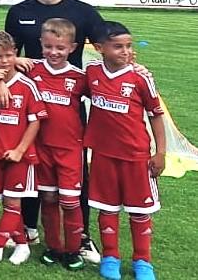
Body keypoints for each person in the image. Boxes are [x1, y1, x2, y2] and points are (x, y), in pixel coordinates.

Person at [4, 0, 104, 259]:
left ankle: (82, 237)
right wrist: (14, 61)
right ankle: (28, 228)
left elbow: (107, 45)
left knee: (76, 172)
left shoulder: (83, 12)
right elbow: (7, 52)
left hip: (69, 102)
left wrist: (130, 64)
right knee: (30, 164)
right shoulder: (19, 12)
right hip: (30, 103)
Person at [84, 21, 164, 280]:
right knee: (107, 208)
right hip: (103, 154)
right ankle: (110, 257)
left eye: (129, 46)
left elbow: (156, 114)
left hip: (136, 155)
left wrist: (160, 152)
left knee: (139, 211)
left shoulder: (141, 78)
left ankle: (143, 261)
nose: (126, 51)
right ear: (100, 48)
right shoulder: (92, 72)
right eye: (118, 46)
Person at [0, 30, 48, 265]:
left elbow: (35, 121)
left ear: (15, 52)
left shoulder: (27, 85)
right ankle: (22, 246)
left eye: (8, 55)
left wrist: (20, 150)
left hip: (20, 155)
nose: (4, 61)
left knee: (13, 202)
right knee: (6, 203)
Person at [27, 18, 89, 269]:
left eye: (60, 48)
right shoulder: (31, 71)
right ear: (41, 44)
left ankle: (74, 249)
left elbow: (106, 87)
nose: (54, 52)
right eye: (48, 46)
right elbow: (0, 67)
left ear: (72, 48)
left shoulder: (80, 77)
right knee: (49, 197)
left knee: (71, 201)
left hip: (70, 148)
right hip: (41, 147)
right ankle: (54, 247)